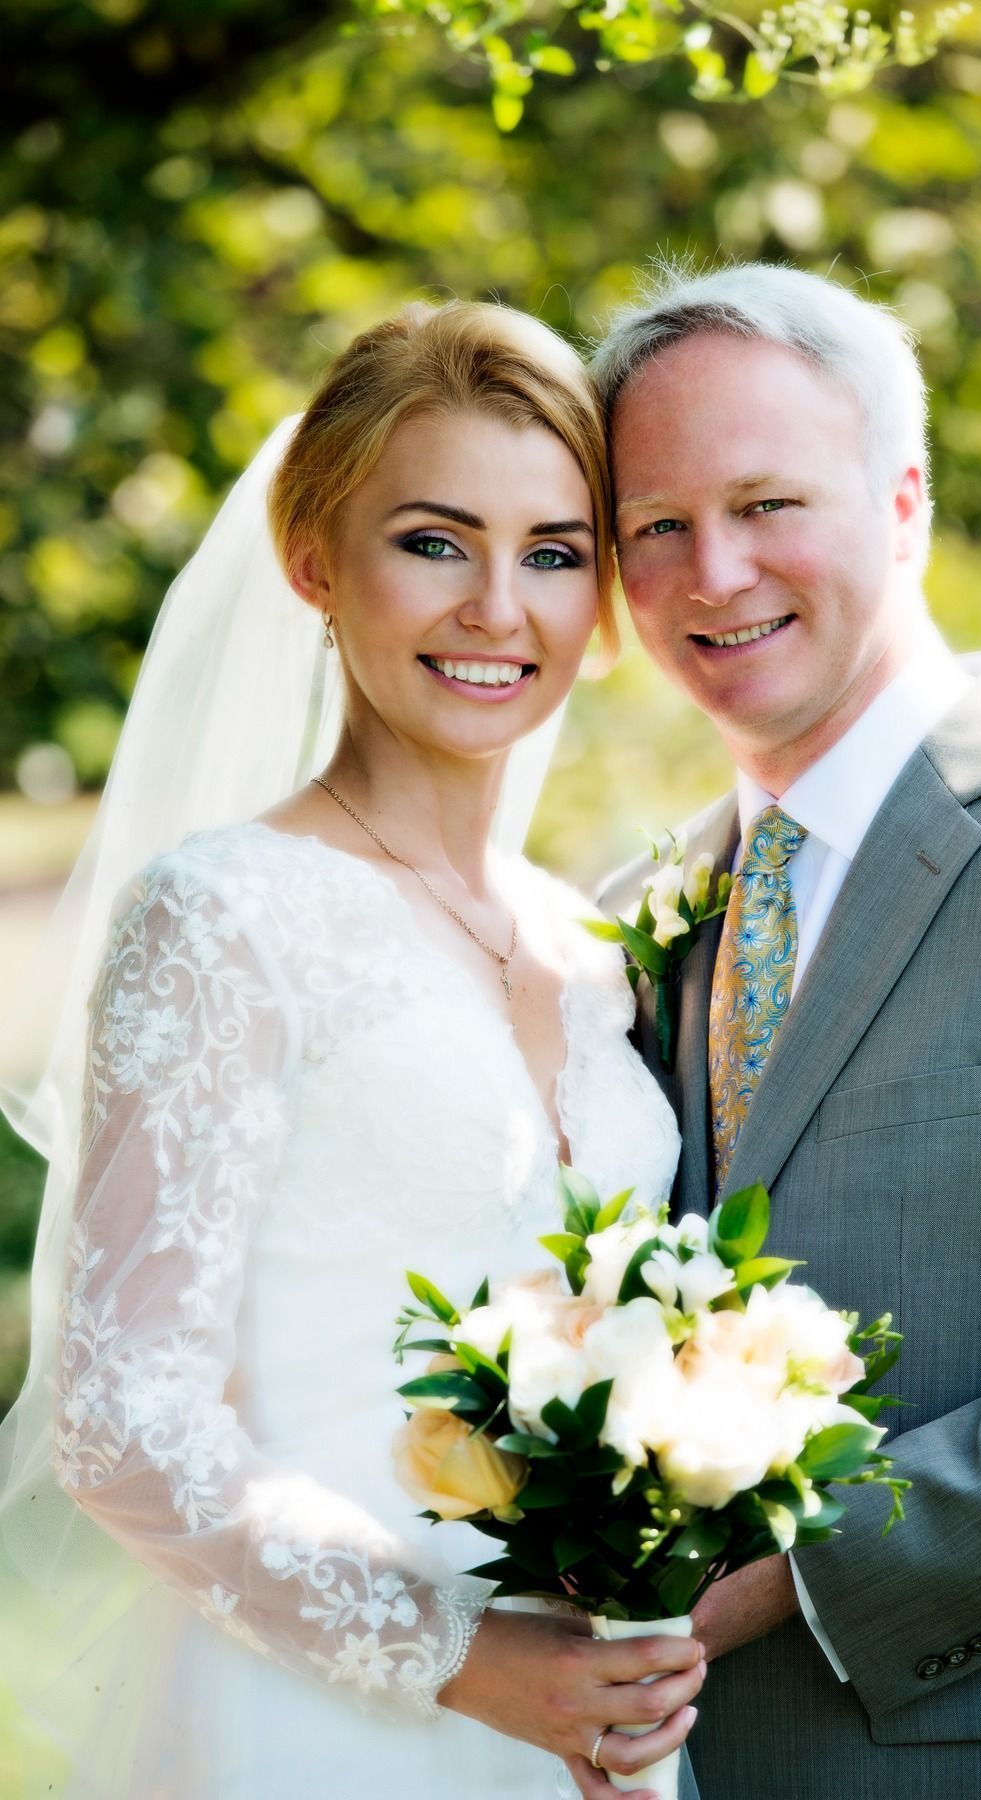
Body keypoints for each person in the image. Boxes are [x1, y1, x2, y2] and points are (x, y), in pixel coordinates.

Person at [0, 301, 705, 1798]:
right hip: (320, 1722)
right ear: (315, 561)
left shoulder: (592, 950)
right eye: (435, 542)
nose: (499, 609)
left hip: (590, 1726)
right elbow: (127, 1423)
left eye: (556, 553)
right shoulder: (225, 915)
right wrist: (458, 1658)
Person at [593, 261, 981, 1799]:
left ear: (906, 497)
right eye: (655, 526)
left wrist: (806, 1566)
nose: (713, 573)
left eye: (768, 505)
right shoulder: (640, 908)